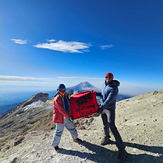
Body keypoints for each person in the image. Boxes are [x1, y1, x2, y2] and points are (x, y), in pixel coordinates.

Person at [97, 72, 127, 161]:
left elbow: (109, 100)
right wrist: (94, 93)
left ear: (112, 78)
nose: (108, 78)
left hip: (110, 109)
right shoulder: (104, 85)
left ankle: (121, 149)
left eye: (109, 77)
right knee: (104, 124)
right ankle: (107, 138)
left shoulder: (114, 88)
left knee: (112, 126)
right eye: (106, 77)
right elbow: (103, 95)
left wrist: (101, 108)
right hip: (103, 108)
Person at [52, 84, 82, 152]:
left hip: (67, 116)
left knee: (72, 128)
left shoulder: (66, 95)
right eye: (61, 89)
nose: (63, 91)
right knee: (58, 132)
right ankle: (55, 145)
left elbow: (69, 104)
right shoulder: (57, 98)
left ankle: (75, 138)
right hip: (60, 118)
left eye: (64, 89)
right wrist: (69, 116)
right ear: (58, 90)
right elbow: (61, 110)